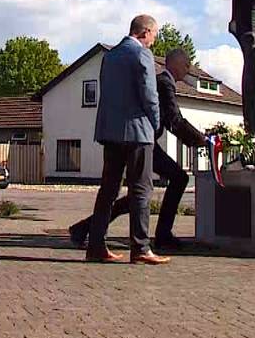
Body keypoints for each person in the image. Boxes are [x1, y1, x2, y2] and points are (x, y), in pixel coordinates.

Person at [69, 47, 205, 251]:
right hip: (142, 142)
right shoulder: (164, 84)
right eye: (186, 65)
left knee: (137, 192)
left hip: (141, 140)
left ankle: (84, 228)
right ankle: (161, 235)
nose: (187, 70)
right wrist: (201, 140)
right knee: (173, 180)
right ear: (176, 64)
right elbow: (174, 121)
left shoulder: (162, 83)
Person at [85, 14, 167, 265]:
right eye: (154, 35)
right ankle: (141, 247)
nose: (153, 41)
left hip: (110, 132)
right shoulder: (141, 55)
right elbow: (149, 95)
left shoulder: (109, 57)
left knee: (108, 189)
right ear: (145, 32)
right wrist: (156, 123)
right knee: (141, 188)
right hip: (137, 133)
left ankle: (96, 245)